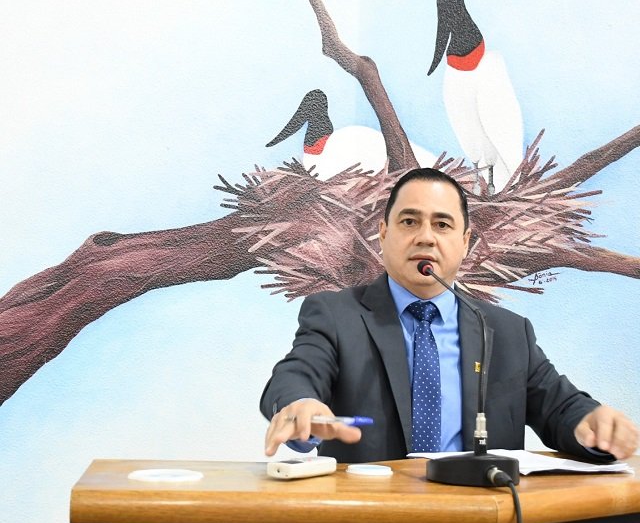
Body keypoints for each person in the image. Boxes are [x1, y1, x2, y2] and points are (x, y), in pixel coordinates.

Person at [260, 167, 638, 463]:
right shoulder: (337, 315)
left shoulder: (505, 332)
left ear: (465, 241)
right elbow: (297, 373)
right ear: (383, 234)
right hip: (374, 519)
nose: (426, 237)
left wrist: (593, 424)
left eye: (442, 224)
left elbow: (561, 407)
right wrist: (298, 404)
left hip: (483, 520)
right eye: (409, 222)